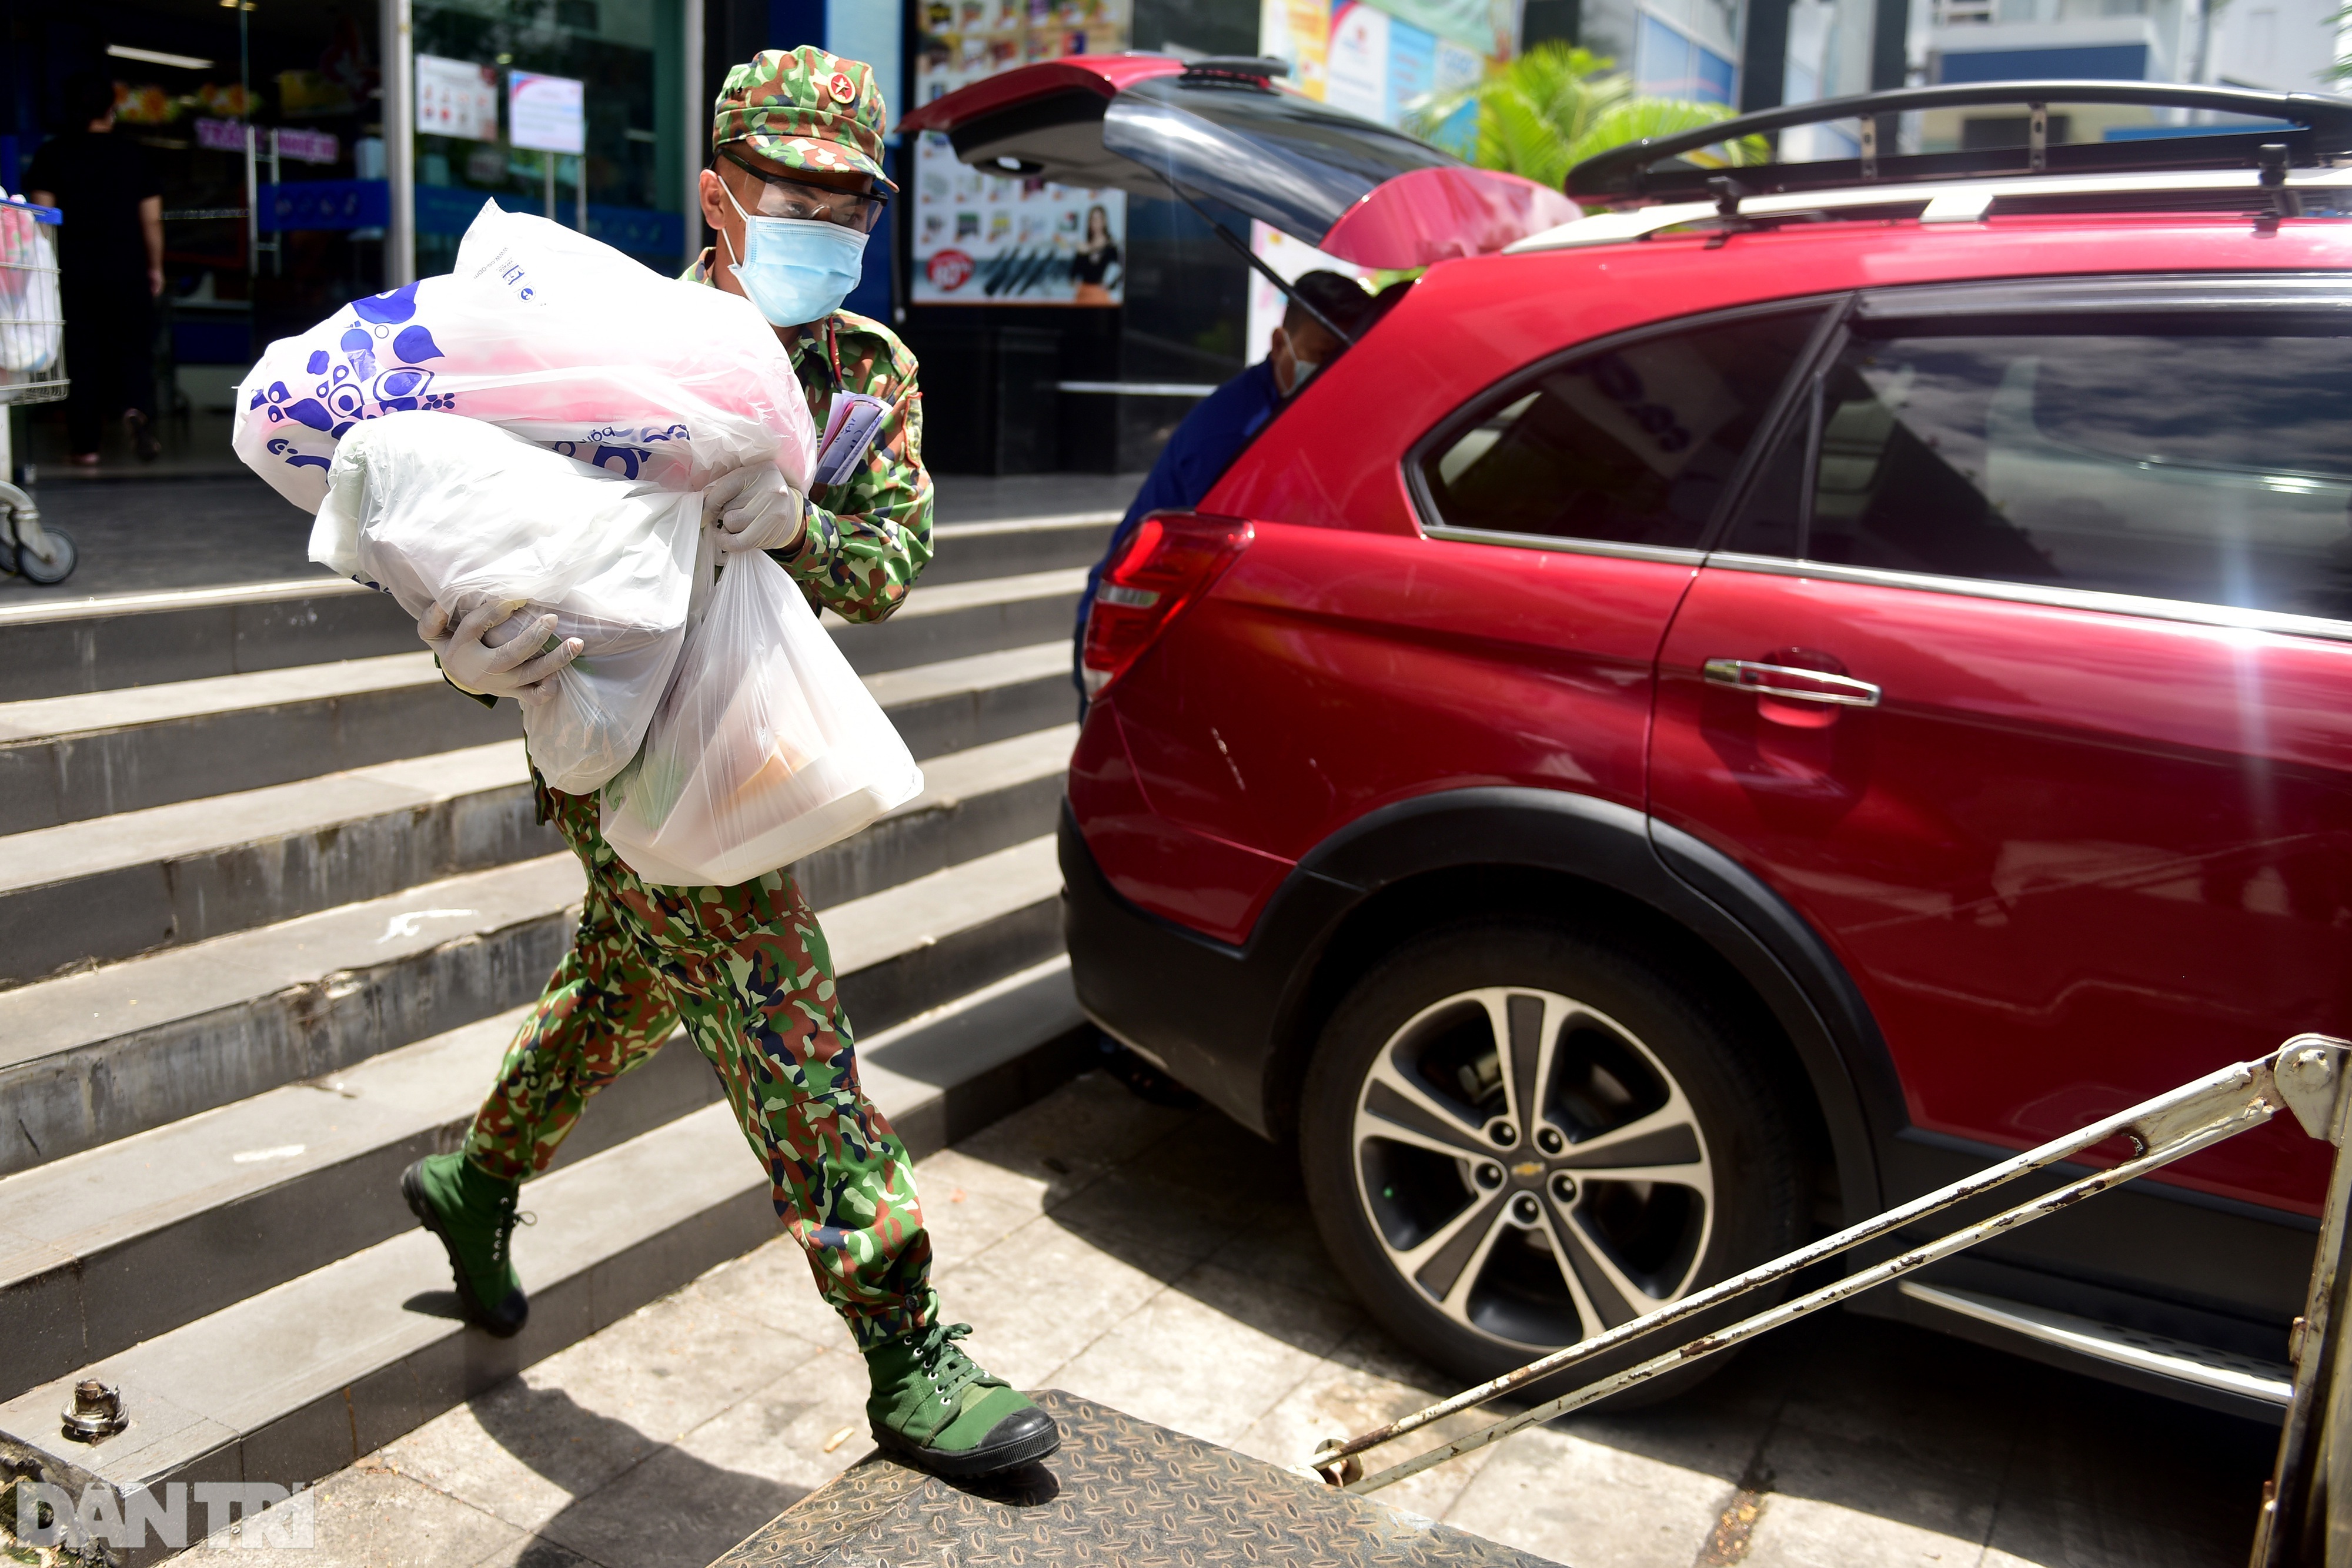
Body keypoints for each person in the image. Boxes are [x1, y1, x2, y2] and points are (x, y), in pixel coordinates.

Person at [399, 46, 1060, 1482]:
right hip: (614, 743)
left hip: (748, 730)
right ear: (718, 192)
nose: (828, 224)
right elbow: (488, 533)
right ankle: (908, 1349)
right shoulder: (604, 342)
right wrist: (464, 648)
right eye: (795, 193)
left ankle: (474, 1179)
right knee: (781, 1019)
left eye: (853, 204)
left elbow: (887, 566)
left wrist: (792, 528)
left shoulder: (868, 369)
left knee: (624, 989)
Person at [1072, 270, 1377, 698]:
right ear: (1278, 344)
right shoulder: (1232, 432)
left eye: (1341, 361)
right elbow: (1229, 555)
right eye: (1319, 355)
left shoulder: (1299, 413)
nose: (1327, 373)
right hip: (1139, 632)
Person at [25, 70, 163, 465]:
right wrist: (155, 267)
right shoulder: (134, 155)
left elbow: (41, 219)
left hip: (72, 271)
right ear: (111, 108)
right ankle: (136, 408)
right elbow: (151, 220)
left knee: (81, 355)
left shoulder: (52, 154)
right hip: (128, 267)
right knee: (134, 349)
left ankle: (86, 447)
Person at [1071, 204, 1117, 306]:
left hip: (1100, 296)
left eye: (1099, 219)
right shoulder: (1083, 248)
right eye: (1093, 219)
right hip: (1083, 295)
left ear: (1105, 221)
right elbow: (1073, 275)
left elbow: (1119, 270)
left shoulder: (1111, 248)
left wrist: (1111, 284)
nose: (1096, 223)